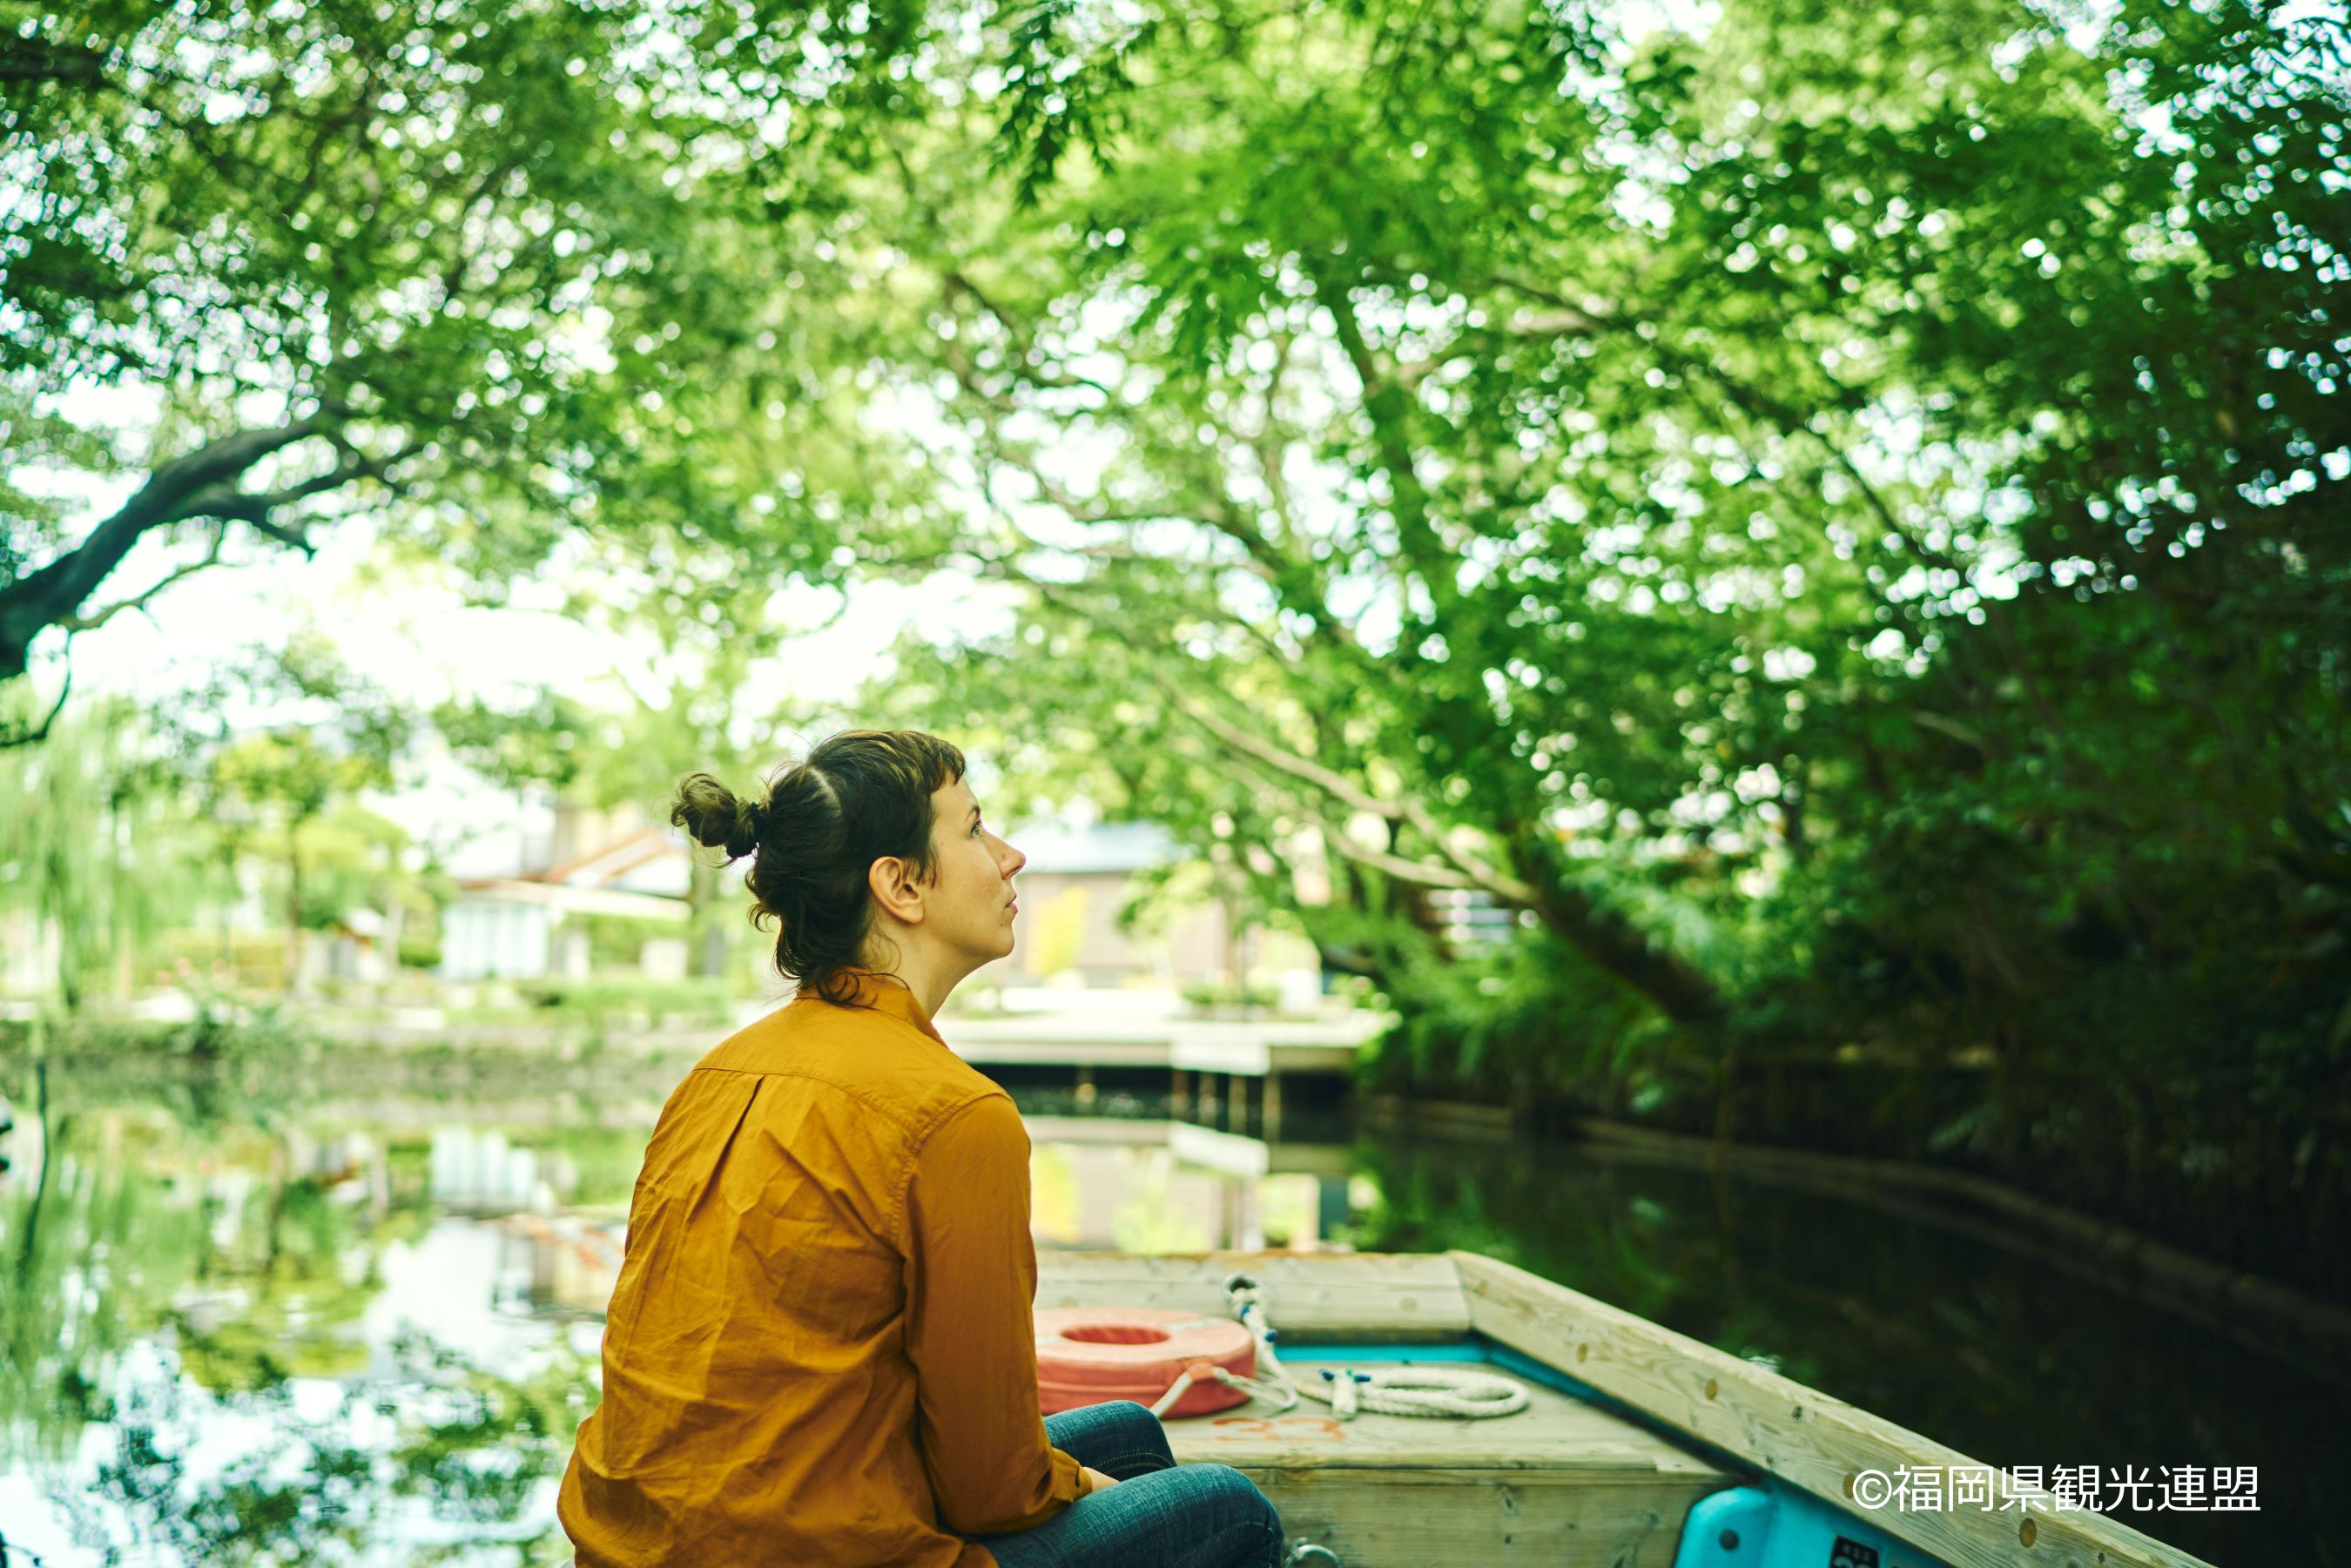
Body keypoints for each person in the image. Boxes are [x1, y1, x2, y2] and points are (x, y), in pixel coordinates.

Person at [556, 728, 1285, 1568]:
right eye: (974, 829)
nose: (1010, 856)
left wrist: (1084, 1474)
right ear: (900, 883)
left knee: (1125, 1433)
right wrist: (1080, 1485)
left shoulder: (715, 1073)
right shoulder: (954, 1114)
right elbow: (990, 1489)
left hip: (644, 1546)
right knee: (1229, 1511)